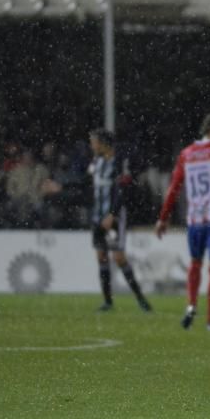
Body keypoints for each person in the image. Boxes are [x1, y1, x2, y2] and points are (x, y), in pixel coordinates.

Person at [155, 113, 210, 331]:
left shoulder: (187, 154)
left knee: (195, 264)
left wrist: (163, 218)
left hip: (195, 219)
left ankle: (190, 307)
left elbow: (174, 188)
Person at [89, 128, 152, 313]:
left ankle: (141, 300)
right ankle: (108, 302)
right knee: (101, 256)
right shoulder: (95, 161)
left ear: (103, 143)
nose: (92, 145)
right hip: (97, 216)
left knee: (119, 257)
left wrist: (112, 213)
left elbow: (123, 190)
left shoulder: (119, 161)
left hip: (113, 217)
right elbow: (88, 184)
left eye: (94, 141)